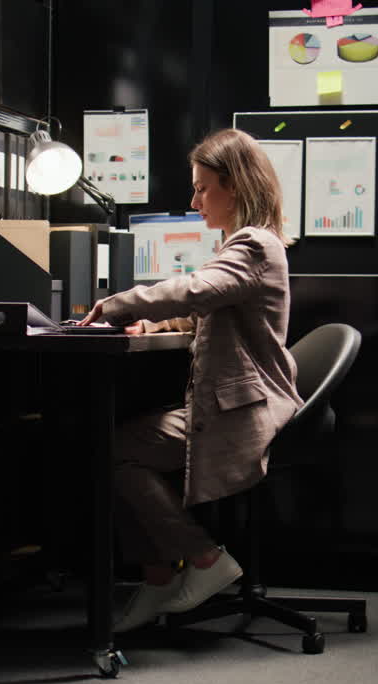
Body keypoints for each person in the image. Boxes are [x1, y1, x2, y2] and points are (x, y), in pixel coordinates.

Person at [78, 128, 303, 632]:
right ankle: (160, 576)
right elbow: (209, 307)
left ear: (235, 187)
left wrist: (118, 305)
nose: (194, 201)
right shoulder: (243, 246)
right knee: (117, 445)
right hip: (232, 402)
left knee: (116, 451)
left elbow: (198, 290)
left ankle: (202, 559)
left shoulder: (254, 245)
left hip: (244, 413)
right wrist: (150, 325)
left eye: (203, 188)